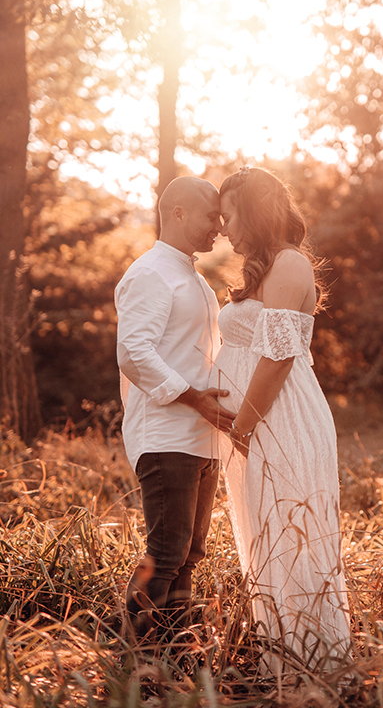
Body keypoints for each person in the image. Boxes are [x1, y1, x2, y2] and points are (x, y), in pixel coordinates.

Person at [210, 166, 351, 671]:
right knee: (264, 535)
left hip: (280, 419)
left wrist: (241, 426)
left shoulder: (290, 264)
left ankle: (316, 672)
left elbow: (278, 358)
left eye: (229, 216)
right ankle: (282, 663)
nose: (223, 228)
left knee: (291, 534)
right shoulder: (265, 269)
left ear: (254, 211)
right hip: (253, 421)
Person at [115, 176, 235, 639]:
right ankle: (133, 659)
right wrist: (195, 400)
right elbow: (134, 353)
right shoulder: (149, 273)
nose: (219, 229)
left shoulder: (193, 276)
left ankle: (174, 652)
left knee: (190, 555)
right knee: (165, 554)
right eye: (212, 217)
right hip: (166, 435)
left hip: (202, 437)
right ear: (179, 212)